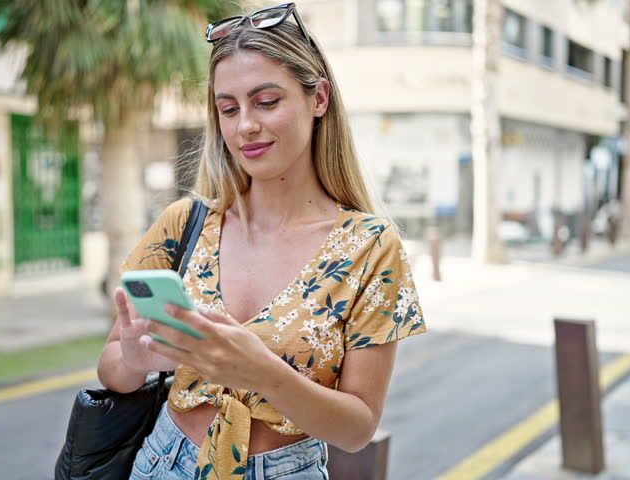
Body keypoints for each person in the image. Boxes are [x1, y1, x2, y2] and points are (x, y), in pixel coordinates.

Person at [97, 3, 427, 479]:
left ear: (319, 98)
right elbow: (111, 367)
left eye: (266, 102)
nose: (244, 125)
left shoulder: (371, 247)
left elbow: (358, 428)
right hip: (162, 462)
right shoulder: (183, 223)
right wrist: (135, 361)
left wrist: (264, 374)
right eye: (228, 109)